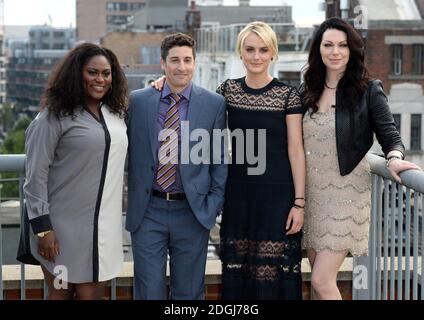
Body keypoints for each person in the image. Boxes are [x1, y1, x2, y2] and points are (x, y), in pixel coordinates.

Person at [301, 17, 420, 300]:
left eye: (343, 45)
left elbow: (391, 136)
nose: (335, 51)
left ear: (352, 50)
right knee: (317, 277)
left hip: (347, 194)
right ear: (318, 49)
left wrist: (393, 158)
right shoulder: (308, 90)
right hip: (312, 195)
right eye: (328, 45)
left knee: (321, 279)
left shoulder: (368, 90)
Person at [126, 33, 227, 300]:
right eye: (174, 61)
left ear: (194, 63)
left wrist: (213, 204)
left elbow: (218, 159)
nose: (181, 67)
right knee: (148, 291)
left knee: (189, 293)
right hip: (149, 211)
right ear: (163, 63)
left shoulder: (214, 104)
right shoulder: (138, 101)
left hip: (192, 212)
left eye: (187, 60)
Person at [23, 43, 128, 300]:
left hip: (104, 230)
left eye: (106, 73)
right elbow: (35, 175)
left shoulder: (117, 113)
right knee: (60, 294)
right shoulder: (53, 117)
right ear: (77, 73)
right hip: (60, 230)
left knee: (90, 296)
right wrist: (43, 229)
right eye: (92, 72)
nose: (100, 79)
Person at [217, 21, 305, 300]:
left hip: (277, 198)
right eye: (250, 49)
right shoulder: (227, 91)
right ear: (240, 53)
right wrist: (163, 83)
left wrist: (299, 203)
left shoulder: (288, 96)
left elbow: (296, 150)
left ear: (272, 54)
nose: (256, 56)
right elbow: (198, 114)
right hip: (239, 194)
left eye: (263, 50)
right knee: (239, 275)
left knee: (273, 277)